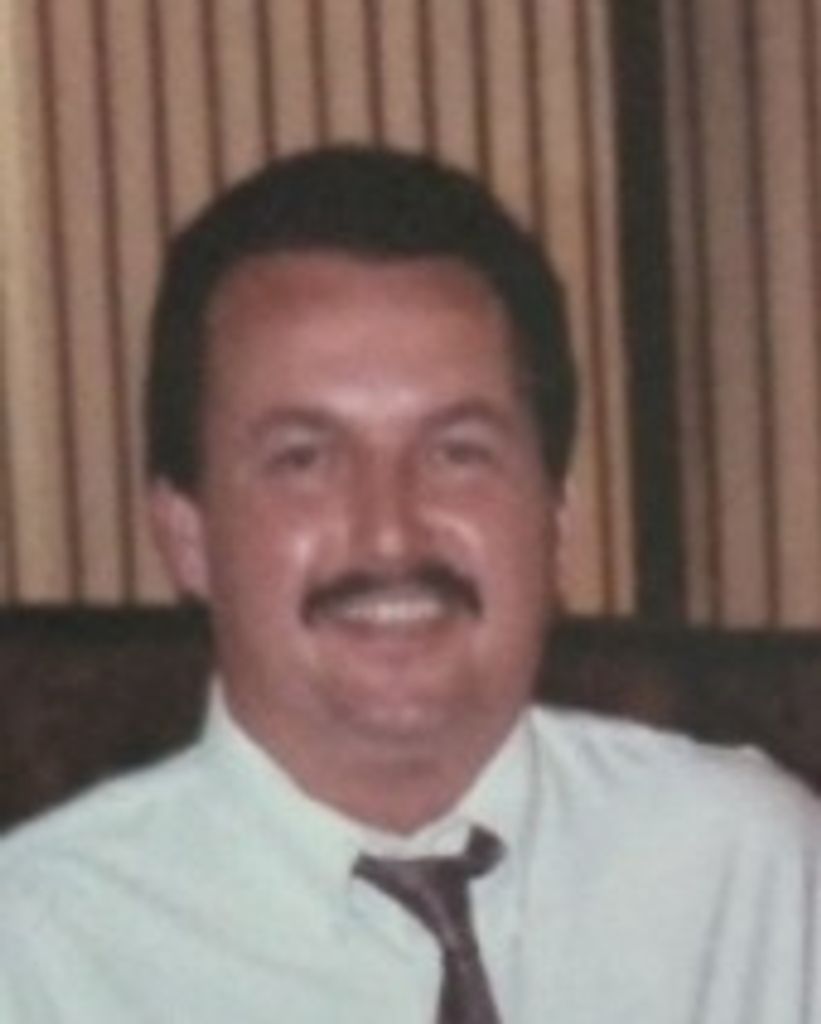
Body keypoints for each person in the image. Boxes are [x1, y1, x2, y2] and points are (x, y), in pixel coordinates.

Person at [0, 145, 818, 1022]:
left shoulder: (753, 879)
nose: (389, 532)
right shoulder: (41, 955)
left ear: (557, 515)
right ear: (186, 535)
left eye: (457, 453)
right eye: (304, 460)